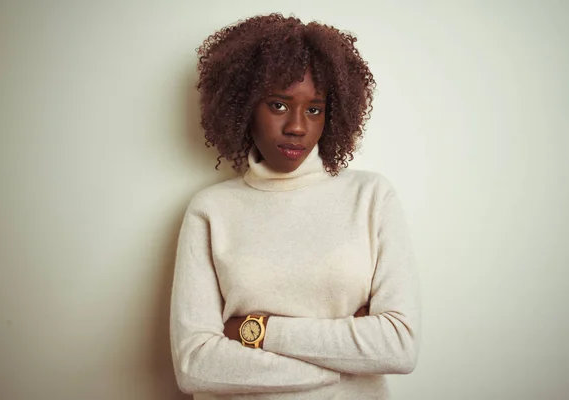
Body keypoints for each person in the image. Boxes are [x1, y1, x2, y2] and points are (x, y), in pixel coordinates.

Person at [170, 13, 420, 400]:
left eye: (315, 109)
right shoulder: (211, 210)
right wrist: (342, 361)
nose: (298, 127)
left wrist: (256, 330)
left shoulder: (371, 197)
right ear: (243, 105)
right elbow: (195, 365)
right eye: (279, 105)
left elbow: (399, 345)